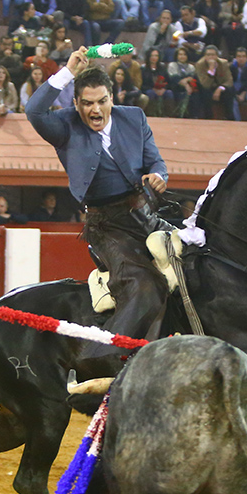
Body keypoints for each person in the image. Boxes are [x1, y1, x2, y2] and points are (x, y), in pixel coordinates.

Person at [25, 47, 170, 372]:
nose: (95, 109)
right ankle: (97, 358)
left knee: (196, 260)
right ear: (76, 104)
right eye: (87, 103)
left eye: (102, 101)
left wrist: (159, 175)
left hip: (147, 215)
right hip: (107, 226)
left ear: (111, 98)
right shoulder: (64, 126)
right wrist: (66, 73)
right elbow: (33, 111)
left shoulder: (133, 117)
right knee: (145, 287)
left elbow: (155, 160)